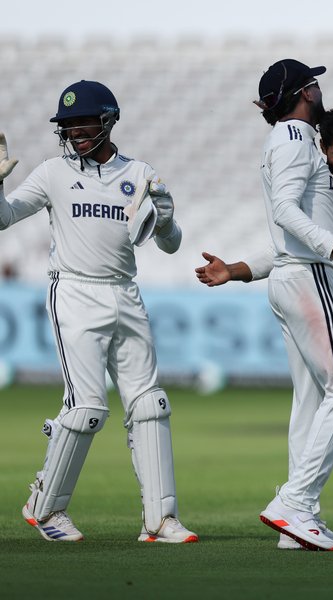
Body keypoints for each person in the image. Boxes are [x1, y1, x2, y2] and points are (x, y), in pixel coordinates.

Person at [0, 80, 196, 543]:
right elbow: (4, 218)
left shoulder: (140, 173)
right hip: (74, 292)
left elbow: (170, 245)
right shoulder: (52, 172)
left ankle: (160, 520)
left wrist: (167, 221)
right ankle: (45, 508)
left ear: (108, 120)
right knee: (87, 408)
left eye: (84, 122)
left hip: (125, 292)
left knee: (150, 404)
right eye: (68, 125)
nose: (75, 132)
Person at [196, 106, 333, 549]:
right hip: (326, 302)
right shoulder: (318, 182)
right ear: (323, 148)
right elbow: (290, 246)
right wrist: (237, 270)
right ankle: (305, 509)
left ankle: (324, 519)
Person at [252, 59, 333, 551]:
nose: (320, 92)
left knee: (311, 402)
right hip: (311, 274)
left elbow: (298, 209)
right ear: (307, 92)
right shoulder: (297, 139)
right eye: (314, 86)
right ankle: (295, 503)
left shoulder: (283, 139)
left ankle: (299, 526)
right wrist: (330, 244)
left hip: (290, 274)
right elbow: (284, 208)